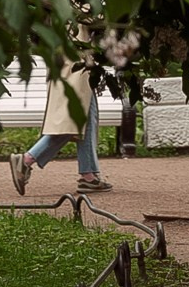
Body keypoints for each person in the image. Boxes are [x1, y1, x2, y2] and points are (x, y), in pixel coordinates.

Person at [9, 61, 112, 196]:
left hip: (69, 64)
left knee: (83, 118)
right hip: (76, 64)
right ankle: (28, 159)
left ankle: (88, 175)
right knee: (73, 119)